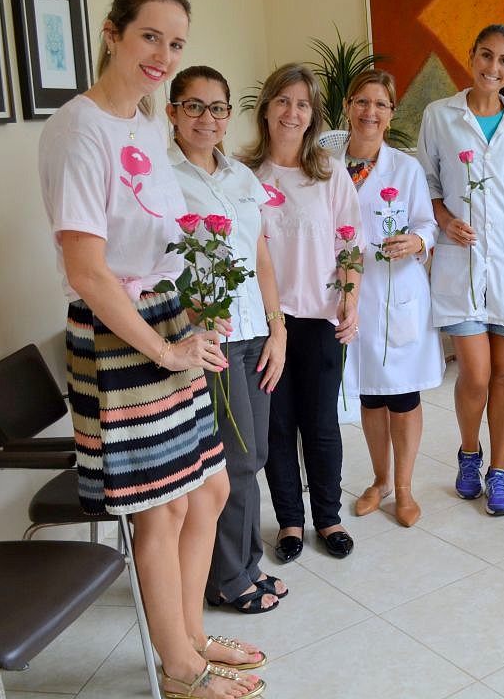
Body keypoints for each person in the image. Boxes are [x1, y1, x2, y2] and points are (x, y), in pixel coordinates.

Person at [38, 0, 265, 699]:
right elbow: (87, 268)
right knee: (163, 507)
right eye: (150, 37)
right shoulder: (80, 128)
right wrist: (163, 349)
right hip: (119, 338)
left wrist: (196, 309)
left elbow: (164, 240)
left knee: (210, 490)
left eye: (176, 43)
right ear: (112, 33)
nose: (163, 55)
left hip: (170, 320)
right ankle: (179, 666)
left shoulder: (142, 125)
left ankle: (191, 633)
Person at [166, 66, 288, 614]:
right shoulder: (161, 181)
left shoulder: (240, 176)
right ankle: (225, 579)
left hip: (254, 333)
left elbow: (260, 255)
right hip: (206, 341)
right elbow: (157, 265)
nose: (207, 119)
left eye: (217, 108)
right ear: (172, 112)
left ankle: (244, 563)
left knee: (254, 453)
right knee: (232, 461)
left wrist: (277, 326)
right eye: (194, 106)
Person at [417, 23, 504, 516]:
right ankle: (469, 455)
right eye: (485, 56)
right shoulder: (439, 116)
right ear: (471, 56)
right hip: (461, 261)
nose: (493, 67)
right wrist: (446, 220)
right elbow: (426, 182)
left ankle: (500, 471)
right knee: (474, 374)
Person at [240, 64, 363, 559]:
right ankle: (290, 521)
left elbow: (350, 243)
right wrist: (272, 323)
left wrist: (349, 297)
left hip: (319, 318)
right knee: (276, 425)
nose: (293, 112)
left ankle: (328, 519)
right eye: (284, 101)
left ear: (313, 116)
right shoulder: (243, 176)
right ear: (267, 108)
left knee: (320, 423)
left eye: (303, 104)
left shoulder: (330, 174)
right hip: (265, 323)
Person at [342, 70, 444, 527]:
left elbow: (427, 223)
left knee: (402, 395)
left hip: (397, 292)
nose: (370, 112)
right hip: (349, 298)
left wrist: (416, 243)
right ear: (347, 106)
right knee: (369, 395)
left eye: (380, 104)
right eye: (362, 102)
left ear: (391, 113)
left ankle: (403, 488)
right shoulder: (327, 167)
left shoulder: (405, 169)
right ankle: (379, 480)